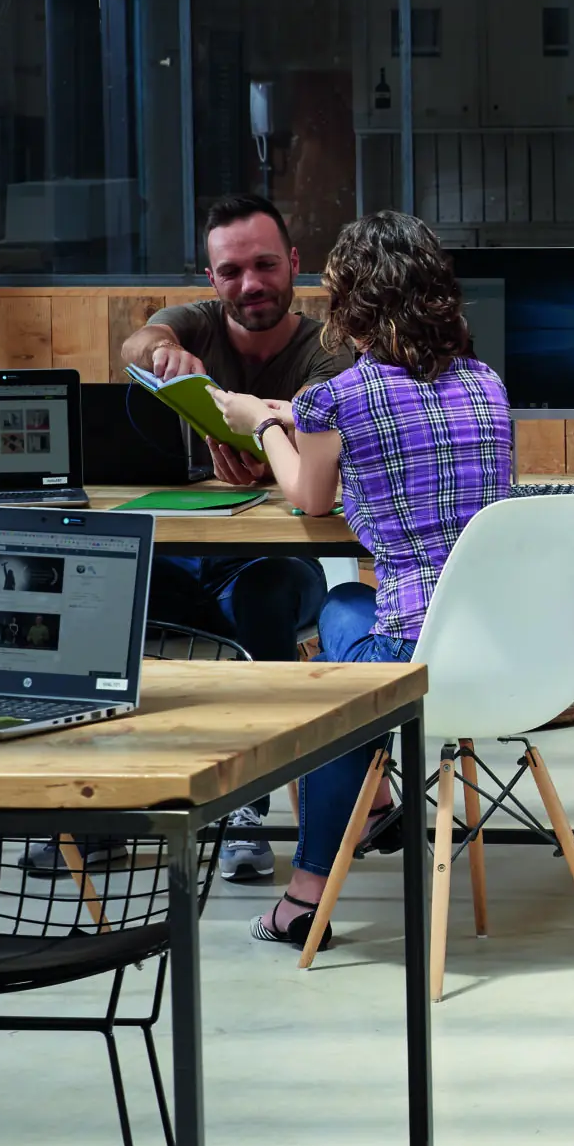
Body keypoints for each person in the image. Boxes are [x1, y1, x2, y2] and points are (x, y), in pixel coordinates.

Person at [209, 211, 515, 947]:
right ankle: (374, 804)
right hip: (506, 652)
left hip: (419, 660)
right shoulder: (487, 384)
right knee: (349, 605)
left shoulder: (338, 398)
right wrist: (302, 416)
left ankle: (307, 893)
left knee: (333, 696)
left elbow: (309, 497)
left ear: (353, 307)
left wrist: (264, 424)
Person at [119, 192, 356, 884]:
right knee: (105, 587)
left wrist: (266, 431)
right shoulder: (195, 325)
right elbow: (138, 341)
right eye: (231, 271)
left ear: (294, 263)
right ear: (210, 278)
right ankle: (96, 812)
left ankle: (249, 805)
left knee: (264, 589)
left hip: (285, 563)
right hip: (192, 560)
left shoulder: (329, 350)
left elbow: (312, 481)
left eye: (263, 265)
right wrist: (167, 356)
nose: (250, 284)